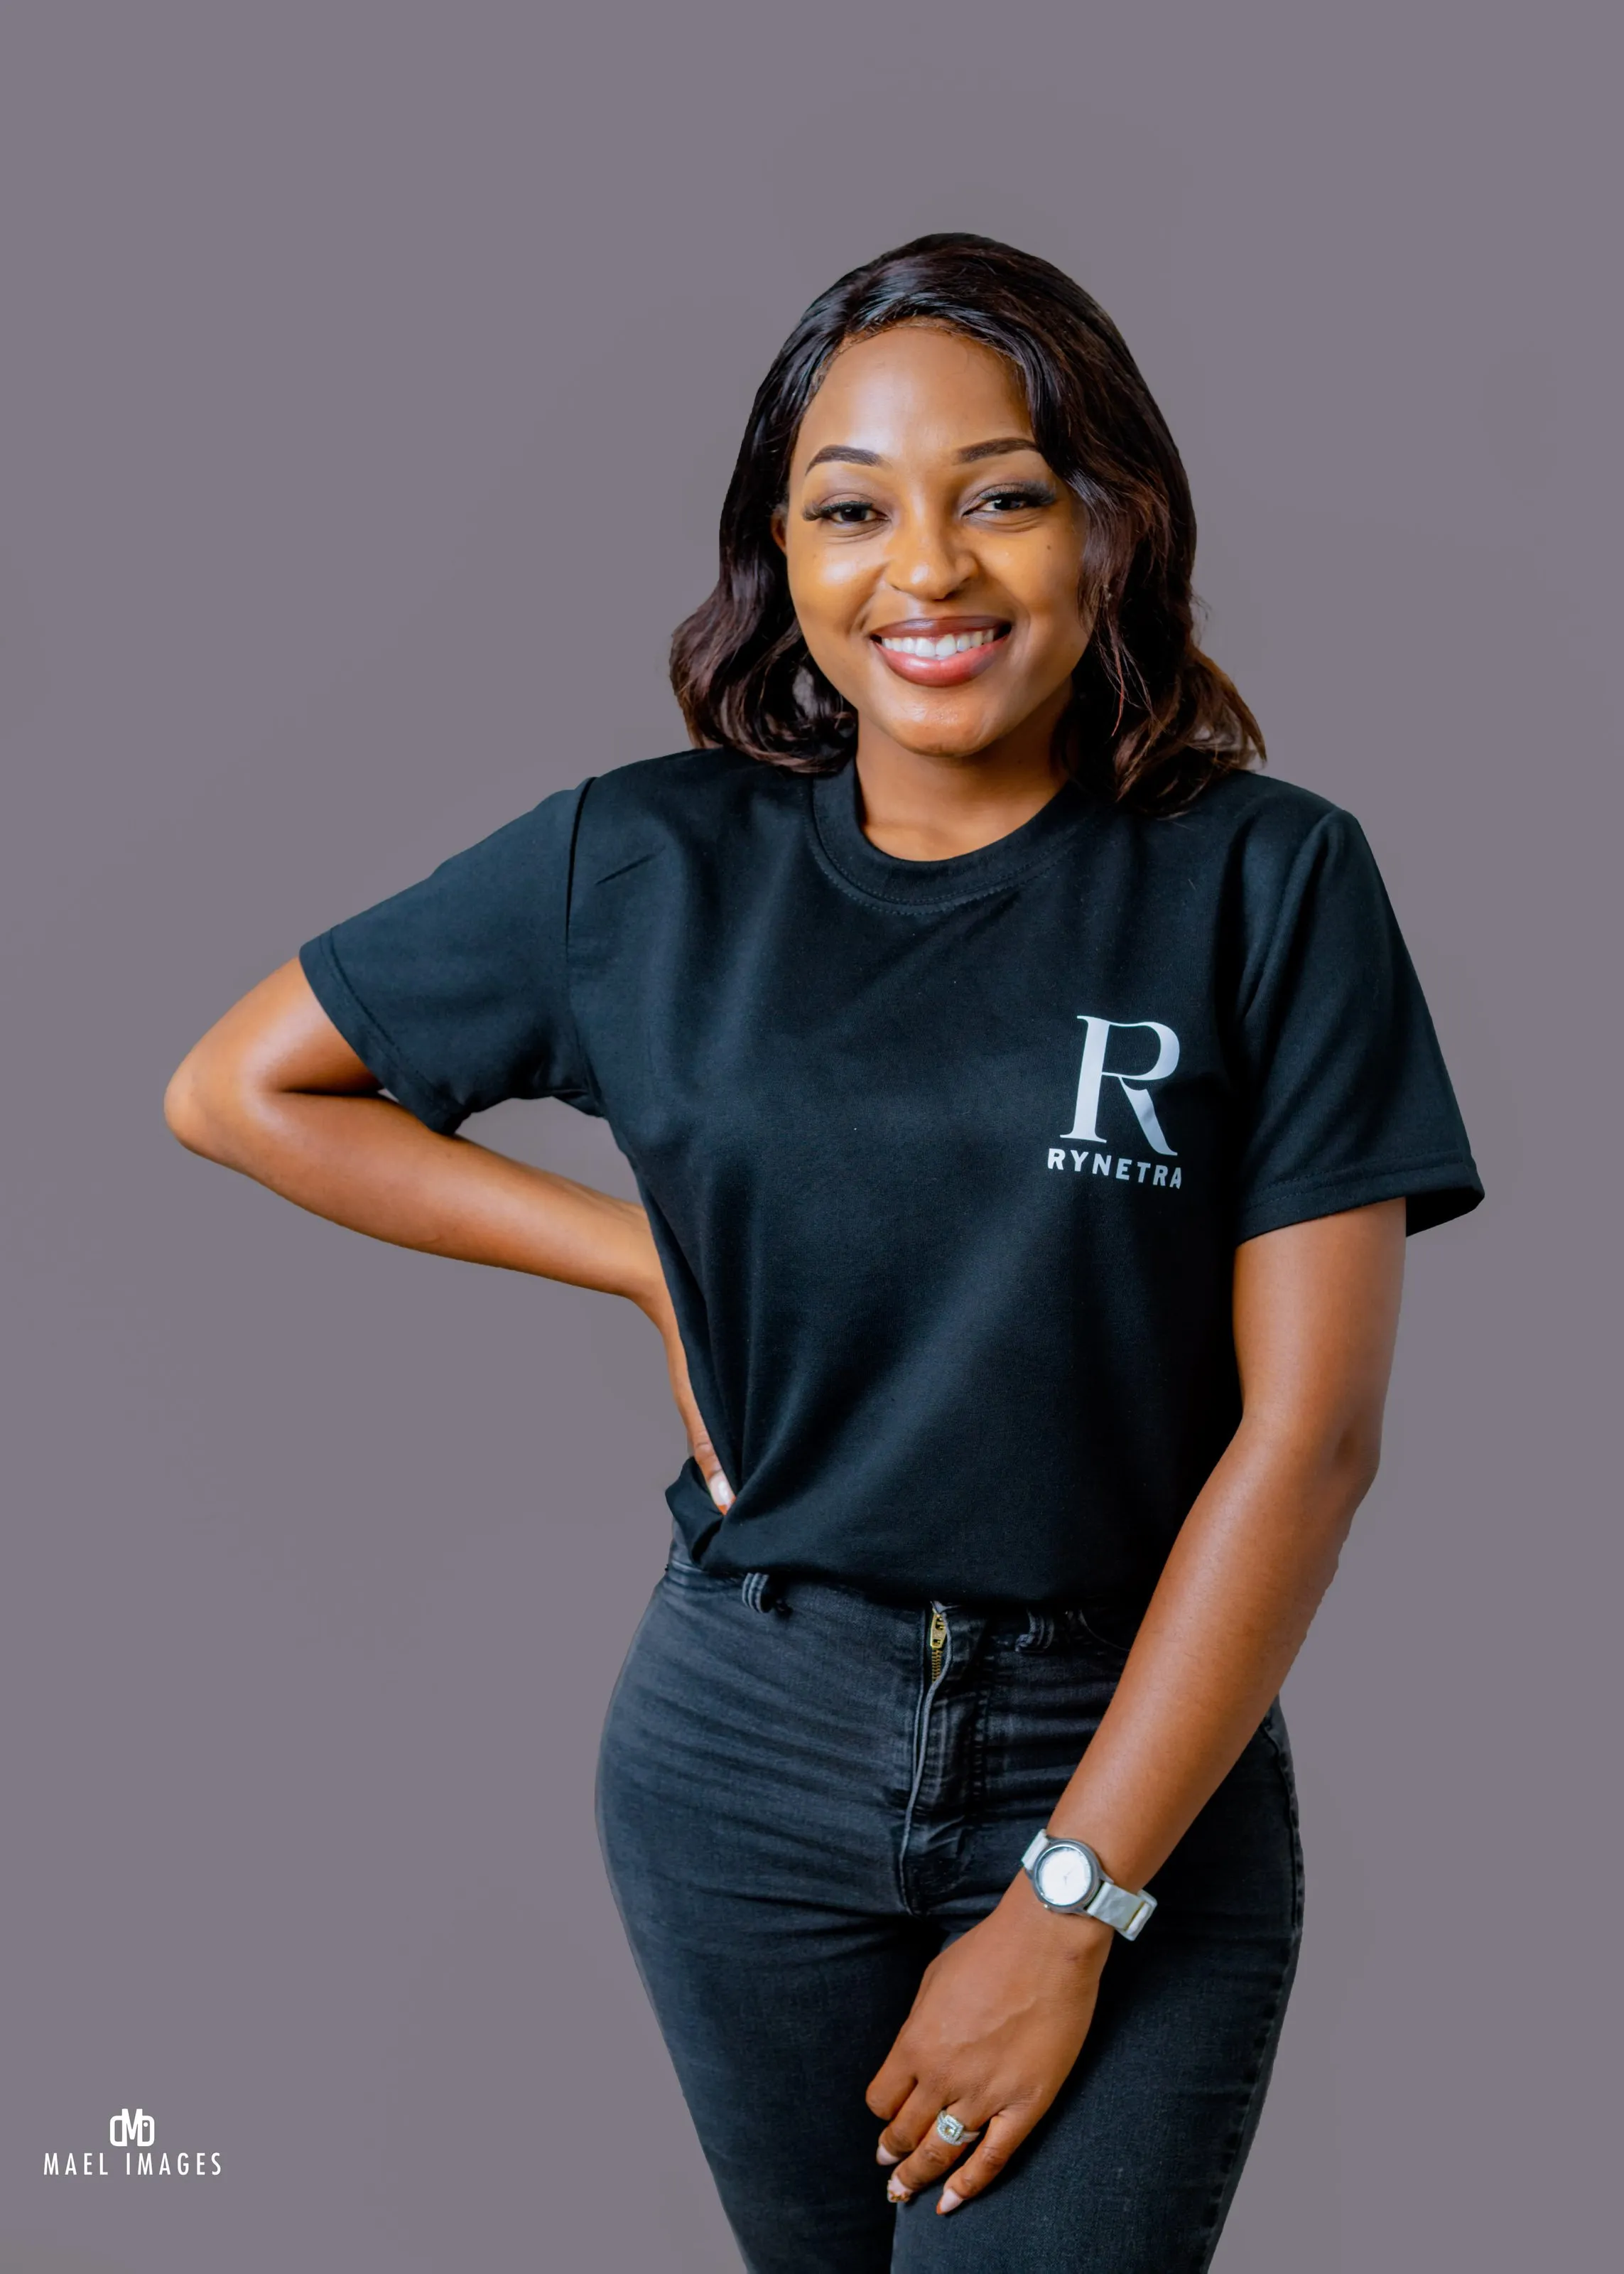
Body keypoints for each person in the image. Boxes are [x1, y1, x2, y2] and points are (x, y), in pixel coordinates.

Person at [165, 232, 1482, 2271]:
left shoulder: (1266, 881)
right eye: (854, 509)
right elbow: (239, 1089)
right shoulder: (651, 863)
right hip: (742, 1739)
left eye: (1004, 496)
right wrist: (634, 1259)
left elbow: (1309, 1442)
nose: (928, 570)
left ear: (1111, 529)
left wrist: (1070, 1905)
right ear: (781, 552)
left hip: (1124, 1738)